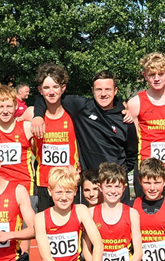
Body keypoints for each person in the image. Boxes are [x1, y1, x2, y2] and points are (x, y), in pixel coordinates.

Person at [31, 70, 137, 203]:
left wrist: (118, 173)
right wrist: (38, 116)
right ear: (92, 90)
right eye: (99, 89)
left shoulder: (125, 120)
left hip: (115, 186)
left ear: (115, 91)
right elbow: (48, 96)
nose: (103, 94)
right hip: (90, 186)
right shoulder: (82, 106)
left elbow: (132, 155)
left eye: (107, 89)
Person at [127, 52, 165, 197]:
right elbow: (134, 141)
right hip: (146, 166)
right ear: (145, 75)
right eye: (152, 74)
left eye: (160, 74)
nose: (156, 78)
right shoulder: (135, 103)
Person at [34, 64, 79, 212]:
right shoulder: (32, 115)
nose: (51, 92)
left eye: (55, 87)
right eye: (46, 88)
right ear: (40, 90)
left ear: (63, 88)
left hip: (69, 182)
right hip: (45, 183)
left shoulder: (73, 115)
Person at [0, 83, 36, 195]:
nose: (5, 111)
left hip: (25, 188)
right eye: (0, 107)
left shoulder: (26, 127)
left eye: (9, 106)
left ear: (16, 105)